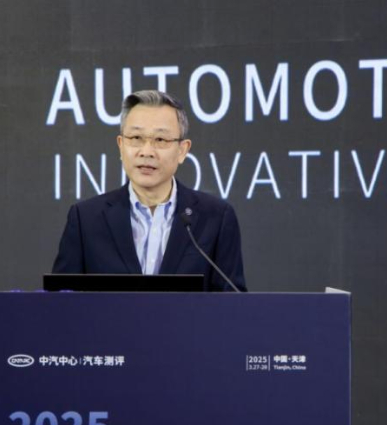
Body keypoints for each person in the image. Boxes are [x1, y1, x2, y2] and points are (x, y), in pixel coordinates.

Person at [52, 89, 246, 292]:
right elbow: (60, 302)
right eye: (136, 137)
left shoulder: (216, 218)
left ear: (182, 150)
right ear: (121, 146)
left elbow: (233, 303)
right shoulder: (85, 219)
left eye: (160, 140)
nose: (146, 152)